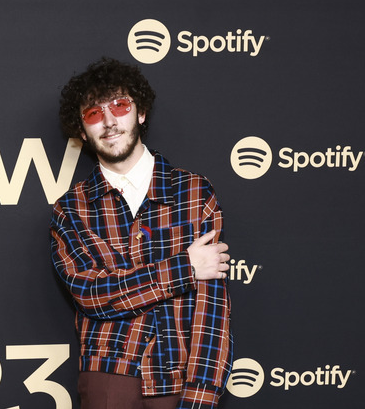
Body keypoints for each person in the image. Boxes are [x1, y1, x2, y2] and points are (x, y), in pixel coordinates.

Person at [50, 57, 233, 409]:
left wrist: (202, 393)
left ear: (141, 112)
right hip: (108, 377)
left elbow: (212, 307)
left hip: (179, 374)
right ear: (82, 128)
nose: (108, 121)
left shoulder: (194, 192)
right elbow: (93, 294)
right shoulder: (72, 209)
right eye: (93, 113)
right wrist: (185, 268)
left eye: (119, 105)